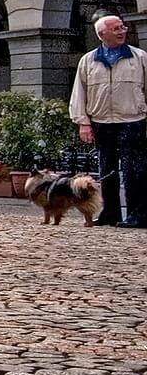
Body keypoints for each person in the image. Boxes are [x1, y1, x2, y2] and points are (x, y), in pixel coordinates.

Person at [71, 14, 147, 229]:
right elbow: (79, 93)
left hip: (133, 119)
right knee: (107, 169)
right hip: (101, 122)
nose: (122, 31)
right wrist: (83, 122)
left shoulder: (139, 57)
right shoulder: (88, 60)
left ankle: (138, 214)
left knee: (136, 169)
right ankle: (110, 213)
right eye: (116, 28)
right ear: (102, 34)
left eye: (122, 27)